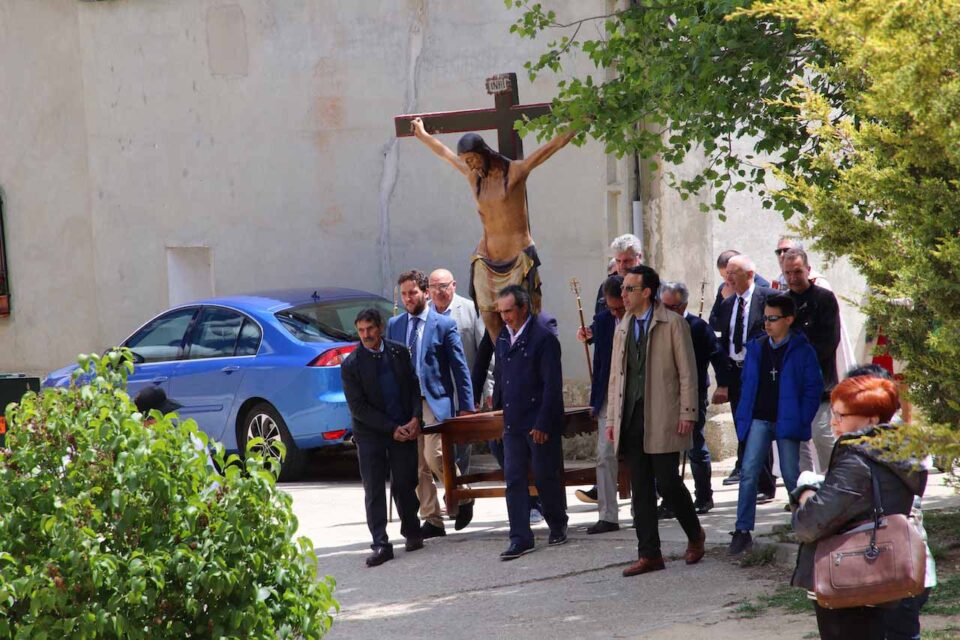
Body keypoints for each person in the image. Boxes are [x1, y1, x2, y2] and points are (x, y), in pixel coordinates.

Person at [410, 117, 577, 341]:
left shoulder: (515, 172)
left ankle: (523, 358)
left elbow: (550, 147)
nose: (470, 165)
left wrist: (578, 123)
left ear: (484, 153)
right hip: (486, 258)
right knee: (490, 317)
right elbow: (444, 153)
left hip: (517, 257)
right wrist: (422, 135)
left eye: (472, 159)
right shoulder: (473, 177)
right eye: (466, 161)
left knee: (522, 318)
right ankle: (504, 360)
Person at [790, 375, 926, 639]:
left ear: (872, 419)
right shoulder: (900, 450)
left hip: (852, 581)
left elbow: (809, 524)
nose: (833, 422)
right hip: (892, 573)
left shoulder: (856, 460)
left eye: (841, 415)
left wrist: (806, 493)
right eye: (833, 414)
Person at [606, 265, 705, 577]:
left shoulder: (673, 324)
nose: (623, 294)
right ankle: (649, 554)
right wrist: (612, 418)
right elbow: (615, 377)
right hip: (632, 416)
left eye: (629, 289)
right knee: (640, 488)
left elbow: (688, 373)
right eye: (623, 289)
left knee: (669, 483)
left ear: (646, 292)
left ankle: (695, 535)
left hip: (663, 414)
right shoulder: (623, 325)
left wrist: (688, 413)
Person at [727, 294, 823, 555]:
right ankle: (742, 530)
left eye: (773, 318)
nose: (767, 324)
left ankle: (802, 527)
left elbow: (813, 387)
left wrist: (802, 419)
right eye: (765, 318)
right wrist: (744, 417)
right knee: (748, 472)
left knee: (792, 475)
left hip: (787, 419)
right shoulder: (757, 347)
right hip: (760, 417)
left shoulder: (802, 350)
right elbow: (747, 383)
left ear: (788, 320)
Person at [387, 270, 475, 539]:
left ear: (425, 292)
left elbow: (459, 368)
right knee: (416, 465)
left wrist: (467, 405)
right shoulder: (395, 325)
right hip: (407, 403)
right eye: (403, 294)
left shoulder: (442, 324)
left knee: (434, 455)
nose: (408, 298)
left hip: (434, 400)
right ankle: (433, 519)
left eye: (412, 292)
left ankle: (464, 496)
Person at [340, 308, 423, 567]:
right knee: (374, 488)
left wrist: (415, 418)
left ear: (381, 328)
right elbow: (358, 408)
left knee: (405, 482)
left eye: (370, 329)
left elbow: (412, 386)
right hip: (371, 434)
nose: (366, 335)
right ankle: (380, 543)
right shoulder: (351, 364)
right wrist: (390, 429)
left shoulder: (399, 353)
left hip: (403, 426)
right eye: (361, 331)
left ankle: (412, 531)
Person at [493, 285, 568, 559]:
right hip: (513, 423)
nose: (505, 318)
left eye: (509, 311)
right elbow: (501, 376)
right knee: (513, 480)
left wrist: (544, 423)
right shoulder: (503, 337)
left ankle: (557, 522)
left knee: (545, 476)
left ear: (523, 308)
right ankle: (520, 537)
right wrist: (497, 408)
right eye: (501, 312)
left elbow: (552, 385)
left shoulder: (543, 338)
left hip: (537, 422)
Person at [711, 254, 778, 492]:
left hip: (761, 375)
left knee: (760, 426)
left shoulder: (769, 297)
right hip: (736, 375)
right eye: (726, 273)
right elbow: (720, 342)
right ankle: (752, 480)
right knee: (744, 429)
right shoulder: (728, 303)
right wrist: (723, 381)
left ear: (750, 275)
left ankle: (765, 485)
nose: (728, 278)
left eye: (733, 273)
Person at [659, 281, 726, 515]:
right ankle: (669, 499)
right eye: (663, 306)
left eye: (673, 307)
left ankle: (703, 496)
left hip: (693, 394)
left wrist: (723, 385)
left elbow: (717, 356)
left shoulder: (698, 327)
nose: (667, 312)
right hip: (665, 395)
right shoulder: (658, 326)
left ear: (684, 305)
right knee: (664, 449)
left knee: (695, 446)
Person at [428, 268, 494, 474]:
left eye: (443, 286)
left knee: (461, 449)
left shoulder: (470, 309)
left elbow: (485, 356)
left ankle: (461, 497)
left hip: (464, 393)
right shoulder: (425, 314)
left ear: (453, 285)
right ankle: (454, 494)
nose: (438, 291)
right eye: (433, 287)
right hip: (435, 395)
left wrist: (488, 391)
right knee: (435, 451)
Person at [782, 247, 842, 475]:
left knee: (822, 435)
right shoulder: (782, 301)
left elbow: (830, 340)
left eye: (797, 272)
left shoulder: (824, 299)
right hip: (790, 384)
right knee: (796, 442)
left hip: (820, 381)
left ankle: (834, 482)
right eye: (787, 273)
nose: (792, 278)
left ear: (807, 270)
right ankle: (803, 489)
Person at [574, 275, 625, 532]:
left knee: (640, 455)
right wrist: (586, 334)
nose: (615, 312)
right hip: (608, 394)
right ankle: (608, 516)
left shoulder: (640, 317)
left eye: (619, 307)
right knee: (605, 455)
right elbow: (600, 362)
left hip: (635, 394)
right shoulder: (604, 319)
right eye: (610, 307)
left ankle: (644, 509)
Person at [708, 249, 771, 329]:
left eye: (732, 274)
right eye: (724, 276)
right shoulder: (724, 288)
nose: (728, 280)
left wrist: (733, 299)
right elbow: (714, 323)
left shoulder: (762, 287)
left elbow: (755, 324)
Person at [594, 234, 642, 316]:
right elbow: (600, 319)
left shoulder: (651, 284)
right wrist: (591, 329)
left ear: (639, 257)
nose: (622, 266)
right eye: (618, 261)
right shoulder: (606, 286)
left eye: (626, 261)